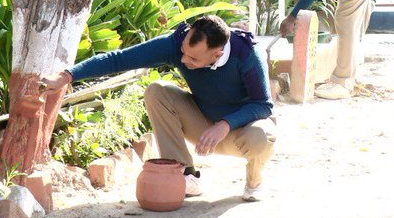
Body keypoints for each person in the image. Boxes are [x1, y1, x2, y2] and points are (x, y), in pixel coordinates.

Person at [43, 15, 275, 201]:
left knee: (262, 136)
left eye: (193, 59)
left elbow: (263, 104)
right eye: (183, 52)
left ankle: (255, 180)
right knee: (157, 91)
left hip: (240, 132)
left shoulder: (246, 54)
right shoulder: (177, 45)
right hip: (202, 125)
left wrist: (225, 124)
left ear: (218, 53)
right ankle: (185, 176)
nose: (184, 60)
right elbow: (118, 59)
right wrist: (67, 76)